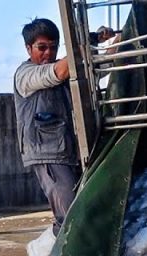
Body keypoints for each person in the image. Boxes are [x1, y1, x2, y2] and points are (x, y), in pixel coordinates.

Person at [13, 18, 117, 234]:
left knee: (84, 208)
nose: (47, 53)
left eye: (53, 47)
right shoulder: (26, 75)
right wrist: (88, 42)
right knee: (70, 215)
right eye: (41, 48)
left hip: (73, 151)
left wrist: (115, 42)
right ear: (28, 48)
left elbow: (101, 66)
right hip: (48, 154)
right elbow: (59, 72)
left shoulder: (66, 67)